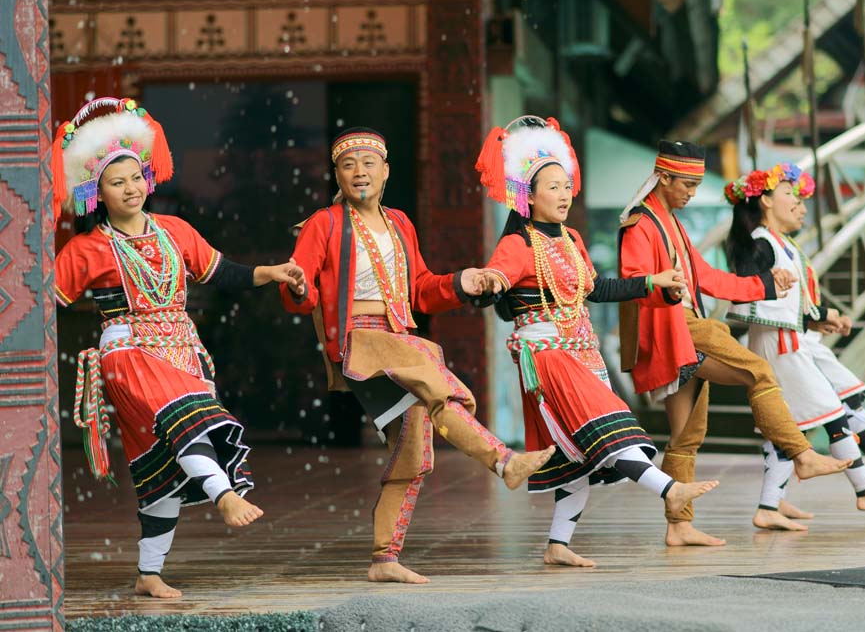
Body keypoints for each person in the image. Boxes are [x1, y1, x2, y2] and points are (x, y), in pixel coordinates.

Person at [53, 97, 305, 598]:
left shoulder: (176, 231)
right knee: (186, 417)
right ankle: (224, 494)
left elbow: (221, 272)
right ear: (96, 191)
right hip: (126, 353)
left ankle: (149, 573)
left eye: (135, 178)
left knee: (160, 464)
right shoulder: (86, 249)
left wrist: (271, 271)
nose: (129, 188)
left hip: (182, 349)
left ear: (148, 178)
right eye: (115, 182)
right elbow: (45, 304)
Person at [281, 126, 554, 585]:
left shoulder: (400, 223)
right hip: (361, 340)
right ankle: (503, 461)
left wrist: (462, 281)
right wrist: (295, 285)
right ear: (338, 175)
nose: (359, 172)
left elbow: (420, 292)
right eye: (348, 166)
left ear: (386, 172)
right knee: (436, 382)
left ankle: (383, 558)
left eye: (369, 163)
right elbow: (302, 292)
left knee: (414, 446)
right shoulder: (324, 224)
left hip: (399, 338)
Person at [475, 116, 719, 568]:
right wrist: (487, 284)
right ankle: (670, 490)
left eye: (567, 185)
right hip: (547, 357)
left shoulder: (572, 239)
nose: (565, 194)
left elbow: (595, 289)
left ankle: (557, 545)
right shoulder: (516, 244)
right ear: (528, 196)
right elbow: (496, 286)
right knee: (611, 426)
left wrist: (651, 282)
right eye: (552, 187)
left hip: (584, 354)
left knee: (582, 452)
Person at [617, 141, 852, 547]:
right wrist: (666, 291)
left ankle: (679, 526)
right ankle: (801, 454)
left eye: (696, 185)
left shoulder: (669, 221)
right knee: (759, 371)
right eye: (686, 184)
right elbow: (633, 280)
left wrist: (764, 284)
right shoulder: (642, 224)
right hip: (678, 327)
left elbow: (707, 277)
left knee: (686, 435)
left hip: (680, 327)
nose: (691, 192)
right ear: (664, 177)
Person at [724, 162, 865, 530]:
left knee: (793, 427)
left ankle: (770, 506)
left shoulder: (779, 244)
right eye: (791, 196)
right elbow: (746, 300)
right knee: (833, 412)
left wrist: (818, 315)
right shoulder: (759, 244)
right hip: (782, 344)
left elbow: (788, 301)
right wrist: (807, 310)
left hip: (792, 340)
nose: (801, 206)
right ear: (766, 201)